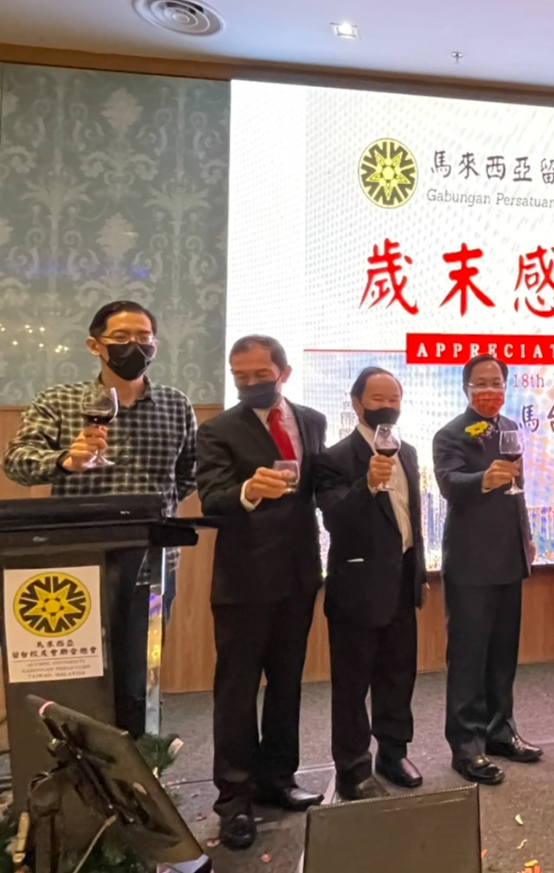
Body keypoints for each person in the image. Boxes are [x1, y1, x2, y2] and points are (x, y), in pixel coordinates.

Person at [4, 300, 197, 738]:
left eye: (144, 338)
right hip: (73, 564)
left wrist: (154, 509)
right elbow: (16, 462)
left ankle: (140, 764)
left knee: (139, 677)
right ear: (95, 345)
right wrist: (64, 460)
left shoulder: (175, 404)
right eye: (121, 338)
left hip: (152, 564)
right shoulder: (59, 400)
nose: (135, 347)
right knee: (78, 677)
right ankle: (75, 765)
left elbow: (188, 475)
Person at [194, 336, 325, 850]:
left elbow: (320, 488)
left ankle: (278, 779)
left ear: (283, 373)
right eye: (240, 376)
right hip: (244, 580)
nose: (250, 383)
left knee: (287, 683)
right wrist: (248, 490)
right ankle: (234, 800)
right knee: (237, 690)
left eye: (260, 374)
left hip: (299, 575)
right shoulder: (218, 430)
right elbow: (213, 498)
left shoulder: (311, 420)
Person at [315, 367, 427, 799]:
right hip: (357, 588)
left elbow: (411, 520)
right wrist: (366, 485)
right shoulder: (335, 457)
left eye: (394, 399)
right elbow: (335, 519)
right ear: (357, 403)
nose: (387, 407)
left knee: (398, 675)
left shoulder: (407, 452)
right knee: (352, 684)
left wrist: (418, 574)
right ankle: (353, 768)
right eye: (378, 399)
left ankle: (393, 753)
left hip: (401, 583)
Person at [433, 354, 541, 786]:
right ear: (466, 388)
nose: (489, 390)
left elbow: (518, 492)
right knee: (468, 658)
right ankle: (466, 746)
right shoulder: (450, 434)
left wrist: (526, 538)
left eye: (496, 382)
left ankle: (500, 731)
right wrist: (482, 479)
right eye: (480, 383)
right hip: (471, 562)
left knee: (502, 655)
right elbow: (448, 483)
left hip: (508, 558)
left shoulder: (510, 428)